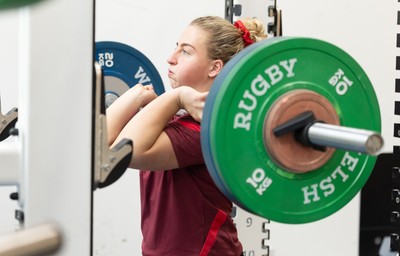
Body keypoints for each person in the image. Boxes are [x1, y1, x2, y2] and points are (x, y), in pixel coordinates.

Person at [106, 15, 268, 256]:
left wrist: (174, 96)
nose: (171, 58)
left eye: (186, 52)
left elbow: (125, 153)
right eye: (176, 47)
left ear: (215, 67)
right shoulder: (176, 119)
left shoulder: (207, 131)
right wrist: (139, 94)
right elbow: (103, 148)